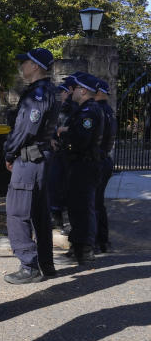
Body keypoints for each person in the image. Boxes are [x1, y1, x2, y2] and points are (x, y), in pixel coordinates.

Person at [0, 48, 61, 284]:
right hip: (39, 158)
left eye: (24, 63)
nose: (21, 66)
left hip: (29, 159)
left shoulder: (37, 94)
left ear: (35, 66)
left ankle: (29, 266)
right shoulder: (48, 91)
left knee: (17, 212)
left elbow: (25, 130)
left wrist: (9, 153)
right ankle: (46, 264)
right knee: (39, 213)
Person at [55, 73, 105, 265]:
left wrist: (66, 137)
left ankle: (84, 250)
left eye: (75, 88)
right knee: (76, 207)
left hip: (84, 165)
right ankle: (77, 247)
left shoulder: (88, 112)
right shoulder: (86, 109)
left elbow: (81, 140)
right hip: (80, 165)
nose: (72, 91)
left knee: (83, 208)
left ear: (82, 90)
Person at [47, 76, 78, 232]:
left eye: (63, 92)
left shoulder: (75, 108)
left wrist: (63, 131)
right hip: (58, 151)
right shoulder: (58, 107)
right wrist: (52, 138)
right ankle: (56, 218)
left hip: (69, 151)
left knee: (68, 186)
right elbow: (52, 124)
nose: (61, 94)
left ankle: (69, 222)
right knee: (54, 183)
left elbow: (76, 128)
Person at [93, 78, 117, 254]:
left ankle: (94, 241)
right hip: (104, 159)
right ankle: (103, 241)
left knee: (92, 203)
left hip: (97, 161)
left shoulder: (97, 110)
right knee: (98, 203)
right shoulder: (108, 110)